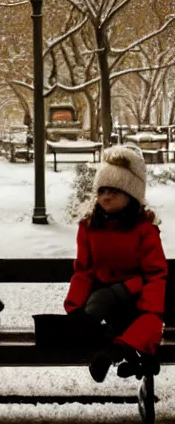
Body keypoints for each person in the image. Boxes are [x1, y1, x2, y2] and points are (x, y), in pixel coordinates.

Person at [64, 144, 168, 383]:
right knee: (100, 305)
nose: (106, 197)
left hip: (135, 297)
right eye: (102, 191)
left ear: (131, 196)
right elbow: (84, 270)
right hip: (102, 302)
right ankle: (121, 352)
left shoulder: (144, 230)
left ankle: (115, 353)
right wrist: (74, 308)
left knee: (147, 323)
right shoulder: (89, 227)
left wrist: (150, 309)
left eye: (114, 191)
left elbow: (155, 274)